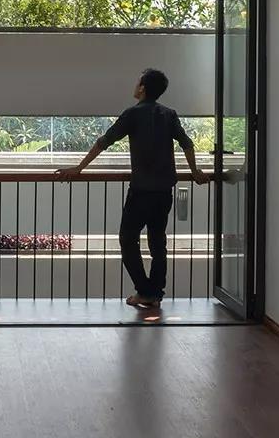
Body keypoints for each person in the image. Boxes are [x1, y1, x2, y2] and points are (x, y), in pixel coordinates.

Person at [55, 68, 211, 308]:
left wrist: (79, 168)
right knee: (157, 243)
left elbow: (104, 142)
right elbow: (187, 144)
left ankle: (145, 291)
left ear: (142, 88)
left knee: (128, 240)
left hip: (141, 191)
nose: (135, 85)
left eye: (137, 81)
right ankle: (154, 293)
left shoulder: (132, 114)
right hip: (164, 191)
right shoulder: (169, 114)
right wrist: (195, 172)